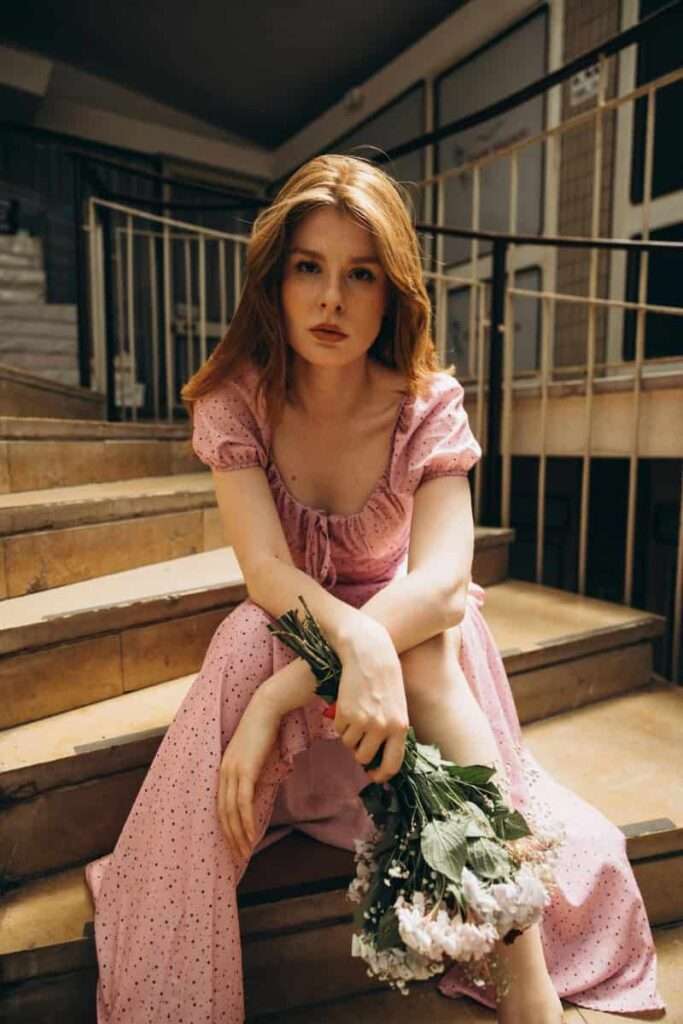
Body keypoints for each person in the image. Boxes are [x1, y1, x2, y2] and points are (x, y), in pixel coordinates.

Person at [84, 153, 665, 1023]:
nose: (330, 301)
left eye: (360, 275)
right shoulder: (237, 399)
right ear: (275, 284)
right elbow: (267, 574)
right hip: (298, 630)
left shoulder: (425, 404)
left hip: (403, 678)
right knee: (252, 630)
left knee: (434, 641)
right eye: (309, 269)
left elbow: (439, 583)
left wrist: (284, 693)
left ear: (392, 292)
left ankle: (526, 983)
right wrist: (327, 651)